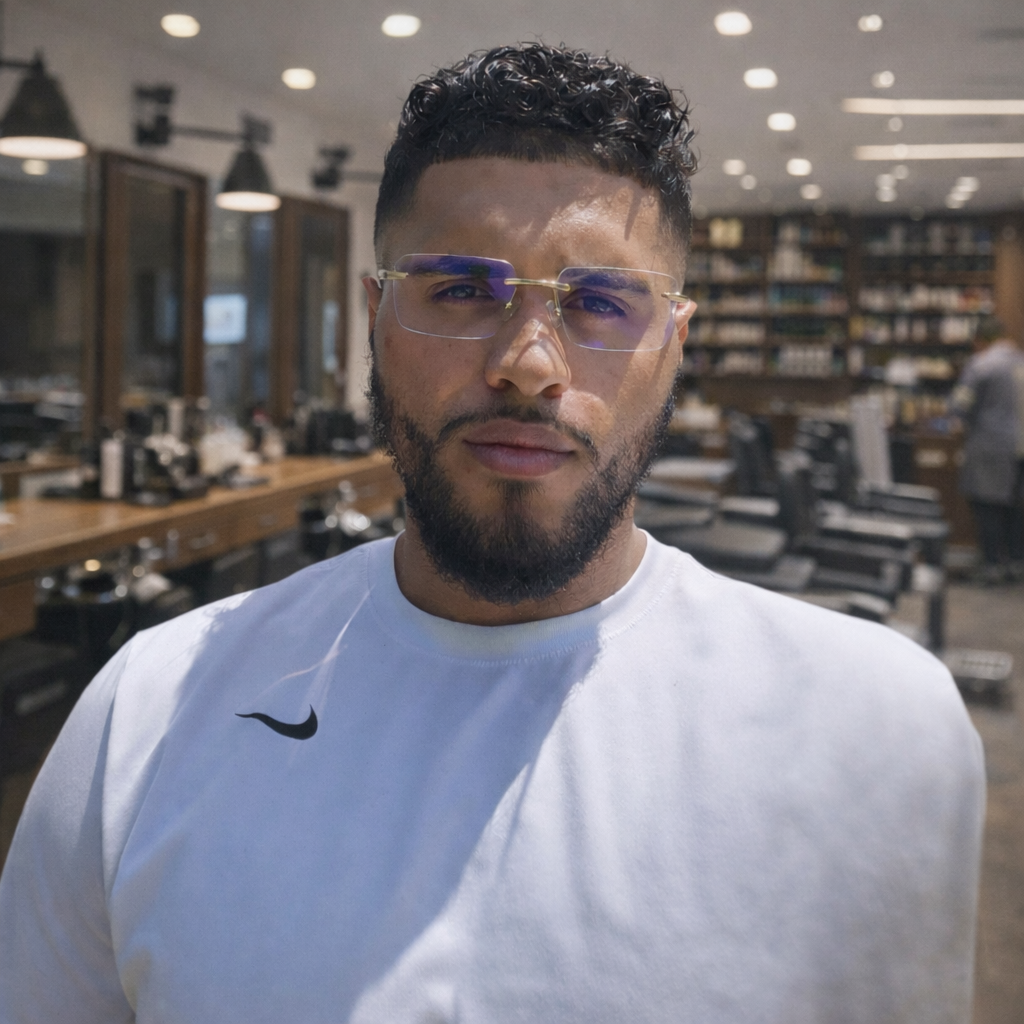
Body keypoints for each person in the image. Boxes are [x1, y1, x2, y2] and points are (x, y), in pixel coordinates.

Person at [0, 44, 984, 1024]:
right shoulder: (145, 714)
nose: (528, 363)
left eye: (601, 302)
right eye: (463, 291)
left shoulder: (872, 730)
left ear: (674, 344)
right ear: (376, 317)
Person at [953, 315, 1024, 582]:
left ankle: (991, 565)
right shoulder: (1021, 361)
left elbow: (961, 404)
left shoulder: (982, 364)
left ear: (979, 340)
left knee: (987, 505)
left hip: (991, 445)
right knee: (1016, 508)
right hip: (1020, 447)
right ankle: (1016, 563)